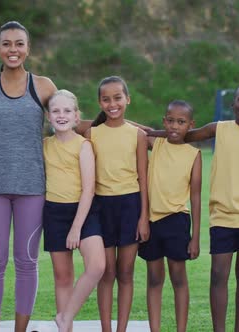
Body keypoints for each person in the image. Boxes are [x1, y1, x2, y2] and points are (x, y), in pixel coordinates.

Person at [150, 83, 239, 332]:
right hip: (222, 217)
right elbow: (185, 135)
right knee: (218, 276)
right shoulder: (219, 129)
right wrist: (147, 132)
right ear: (232, 104)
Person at [0, 21, 58, 332]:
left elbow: (69, 121)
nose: (13, 49)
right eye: (6, 44)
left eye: (19, 43)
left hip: (33, 186)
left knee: (26, 262)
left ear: (28, 49)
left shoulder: (44, 86)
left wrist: (134, 129)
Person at [85, 76, 150, 332]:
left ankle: (121, 328)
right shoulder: (92, 134)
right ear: (100, 103)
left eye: (117, 98)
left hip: (130, 206)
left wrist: (143, 216)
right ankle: (106, 328)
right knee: (106, 272)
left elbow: (143, 178)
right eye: (106, 99)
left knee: (125, 271)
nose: (112, 104)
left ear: (127, 100)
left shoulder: (138, 135)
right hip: (101, 208)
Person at [42, 90, 105, 332]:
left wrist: (76, 227)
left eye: (67, 111)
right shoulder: (44, 146)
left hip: (84, 212)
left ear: (76, 116)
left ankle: (66, 317)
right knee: (63, 277)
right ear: (48, 116)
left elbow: (88, 189)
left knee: (97, 266)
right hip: (54, 213)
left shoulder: (84, 146)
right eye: (56, 111)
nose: (61, 115)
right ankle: (65, 328)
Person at [137, 100, 202, 332]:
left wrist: (195, 236)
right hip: (151, 222)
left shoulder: (194, 154)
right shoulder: (157, 143)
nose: (175, 126)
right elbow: (137, 130)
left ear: (190, 125)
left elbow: (195, 197)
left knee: (178, 278)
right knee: (154, 279)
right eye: (170, 121)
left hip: (177, 221)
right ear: (164, 122)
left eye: (181, 122)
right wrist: (156, 132)